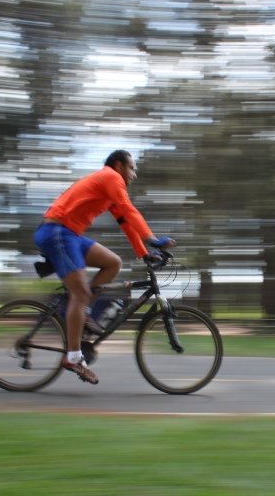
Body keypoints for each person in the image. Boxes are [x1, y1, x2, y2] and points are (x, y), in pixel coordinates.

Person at [34, 149, 175, 384]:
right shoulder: (111, 177)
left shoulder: (110, 188)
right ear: (119, 166)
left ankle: (81, 311)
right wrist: (153, 239)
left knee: (113, 263)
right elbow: (130, 210)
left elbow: (126, 221)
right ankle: (72, 356)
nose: (134, 174)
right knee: (80, 294)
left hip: (70, 235)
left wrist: (144, 253)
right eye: (132, 168)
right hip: (56, 232)